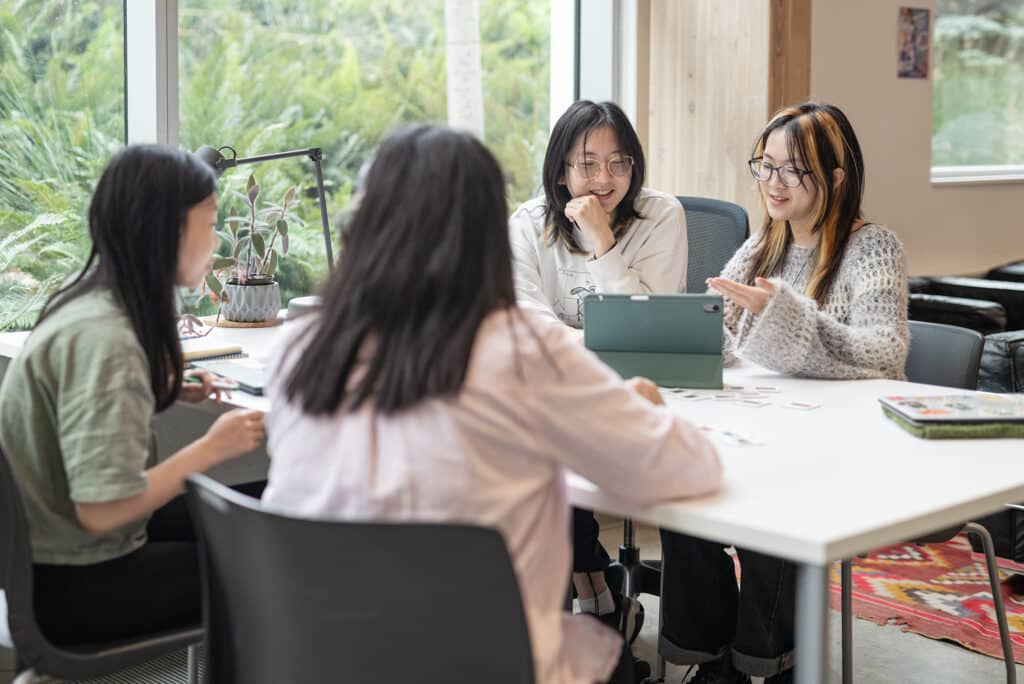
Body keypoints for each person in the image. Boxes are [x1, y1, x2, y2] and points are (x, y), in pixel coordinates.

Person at [260, 124, 721, 684]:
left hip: (310, 653)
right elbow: (686, 466)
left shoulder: (298, 348)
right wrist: (642, 409)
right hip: (476, 658)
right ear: (484, 233)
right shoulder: (519, 350)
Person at [659, 102, 909, 684]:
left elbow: (884, 352)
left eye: (790, 170)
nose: (771, 183)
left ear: (835, 177)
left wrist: (786, 315)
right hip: (769, 427)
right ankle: (711, 661)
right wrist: (690, 332)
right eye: (763, 166)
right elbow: (727, 339)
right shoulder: (763, 245)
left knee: (775, 509)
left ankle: (768, 665)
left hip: (844, 444)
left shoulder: (873, 248)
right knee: (676, 501)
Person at [0, 144, 266, 644]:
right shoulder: (108, 340)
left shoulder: (90, 305)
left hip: (59, 562)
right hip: (80, 586)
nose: (216, 243)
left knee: (264, 512)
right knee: (280, 560)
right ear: (166, 232)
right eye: (209, 226)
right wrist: (213, 448)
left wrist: (163, 387)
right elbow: (102, 511)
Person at [508, 99, 688, 644]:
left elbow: (650, 331)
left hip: (638, 393)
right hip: (559, 392)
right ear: (561, 169)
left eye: (619, 161)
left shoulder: (662, 216)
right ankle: (595, 589)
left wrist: (603, 243)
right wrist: (602, 343)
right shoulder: (528, 223)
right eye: (586, 163)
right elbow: (527, 324)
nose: (604, 178)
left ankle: (593, 594)